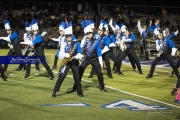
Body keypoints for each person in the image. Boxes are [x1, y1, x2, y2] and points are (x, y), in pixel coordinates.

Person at [70, 19, 107, 93]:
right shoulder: (84, 41)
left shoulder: (96, 41)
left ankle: (102, 87)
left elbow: (99, 52)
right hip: (86, 58)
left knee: (99, 73)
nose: (89, 35)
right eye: (87, 34)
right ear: (85, 34)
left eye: (90, 33)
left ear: (92, 33)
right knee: (80, 73)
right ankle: (75, 87)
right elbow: (80, 49)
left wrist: (101, 63)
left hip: (95, 59)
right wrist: (83, 42)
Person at [52, 19, 84, 97]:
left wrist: (75, 57)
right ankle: (55, 90)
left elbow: (80, 52)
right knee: (62, 76)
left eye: (69, 36)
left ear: (71, 35)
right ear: (65, 37)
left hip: (74, 61)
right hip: (66, 62)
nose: (68, 37)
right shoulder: (63, 44)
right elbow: (60, 54)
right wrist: (65, 55)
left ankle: (79, 92)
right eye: (67, 36)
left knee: (77, 77)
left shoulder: (77, 43)